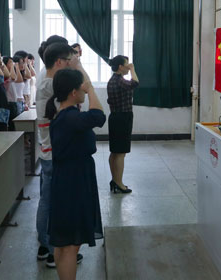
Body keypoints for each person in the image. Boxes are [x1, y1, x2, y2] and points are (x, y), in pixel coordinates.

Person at [46, 68, 106, 280]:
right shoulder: (71, 118)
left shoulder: (65, 115)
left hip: (69, 178)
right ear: (74, 92)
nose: (85, 91)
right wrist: (92, 90)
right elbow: (99, 116)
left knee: (64, 244)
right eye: (82, 88)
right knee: (70, 245)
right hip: (73, 182)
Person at [35, 42, 79, 268]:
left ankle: (45, 245)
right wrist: (78, 66)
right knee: (53, 203)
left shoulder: (45, 81)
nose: (72, 63)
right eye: (70, 60)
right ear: (60, 62)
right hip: (55, 152)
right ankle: (54, 251)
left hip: (47, 150)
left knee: (47, 199)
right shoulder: (53, 85)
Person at [106, 55, 139, 193]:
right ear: (120, 67)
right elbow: (135, 83)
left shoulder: (113, 80)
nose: (128, 67)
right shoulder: (119, 80)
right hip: (122, 118)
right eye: (127, 64)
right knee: (120, 153)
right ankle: (119, 183)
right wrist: (133, 69)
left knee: (115, 152)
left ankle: (115, 180)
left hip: (115, 117)